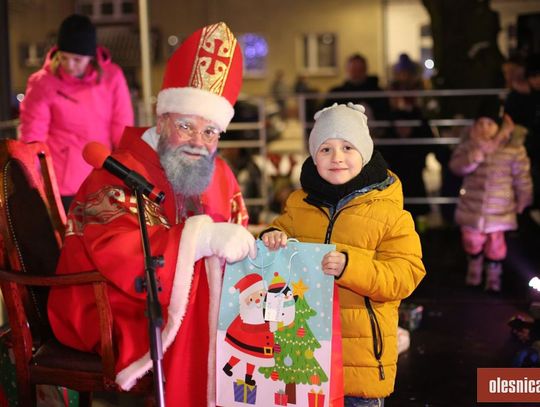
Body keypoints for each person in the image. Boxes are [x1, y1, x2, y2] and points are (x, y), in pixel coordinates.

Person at [47, 22, 257, 406]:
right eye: (185, 126)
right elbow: (117, 249)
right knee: (201, 302)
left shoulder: (220, 174)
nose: (199, 142)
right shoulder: (116, 171)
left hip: (172, 301)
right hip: (108, 303)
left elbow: (237, 234)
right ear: (161, 121)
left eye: (210, 132)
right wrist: (202, 240)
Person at [261, 102, 426, 405]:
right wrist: (272, 236)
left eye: (348, 147)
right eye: (325, 149)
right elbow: (278, 233)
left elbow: (405, 276)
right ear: (313, 155)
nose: (337, 158)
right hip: (304, 358)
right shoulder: (299, 205)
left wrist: (351, 267)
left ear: (364, 152)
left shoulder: (391, 214)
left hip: (360, 367)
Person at [19, 14, 134, 212]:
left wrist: (128, 169)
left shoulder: (112, 77)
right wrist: (32, 178)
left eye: (77, 59)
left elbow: (121, 127)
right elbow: (33, 136)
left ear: (91, 56)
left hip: (102, 175)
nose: (69, 65)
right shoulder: (43, 83)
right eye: (64, 57)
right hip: (62, 183)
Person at [449, 101, 532, 292]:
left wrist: (523, 198)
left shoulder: (513, 148)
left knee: (496, 245)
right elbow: (456, 167)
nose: (485, 128)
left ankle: (494, 277)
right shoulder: (470, 144)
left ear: (500, 126)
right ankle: (474, 268)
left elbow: (522, 176)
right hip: (472, 207)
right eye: (481, 123)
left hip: (500, 208)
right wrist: (476, 155)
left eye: (490, 124)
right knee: (471, 240)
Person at [324, 54, 390, 126]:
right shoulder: (336, 93)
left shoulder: (377, 93)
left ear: (365, 70)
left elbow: (385, 118)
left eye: (360, 70)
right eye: (353, 70)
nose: (356, 73)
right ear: (347, 70)